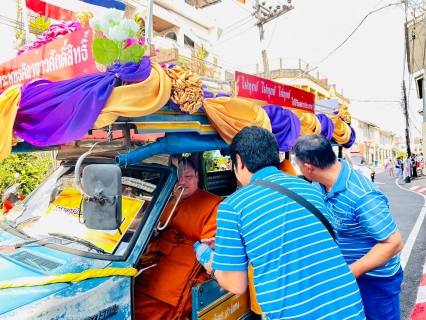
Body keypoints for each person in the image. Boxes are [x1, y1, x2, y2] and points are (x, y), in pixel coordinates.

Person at [205, 127, 365, 319]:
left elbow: (236, 284)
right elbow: (320, 241)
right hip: (349, 306)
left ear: (238, 161)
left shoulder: (233, 206)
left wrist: (211, 265)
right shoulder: (310, 189)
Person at [292, 134, 404, 320]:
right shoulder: (320, 185)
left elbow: (394, 243)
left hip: (376, 280)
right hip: (350, 272)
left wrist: (351, 272)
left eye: (298, 164)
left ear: (308, 167)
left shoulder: (362, 196)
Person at [134, 158, 222, 320]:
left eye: (187, 176)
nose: (182, 181)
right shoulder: (167, 202)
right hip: (154, 261)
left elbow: (213, 247)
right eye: (177, 177)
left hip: (183, 269)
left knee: (149, 309)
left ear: (197, 176)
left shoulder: (213, 204)